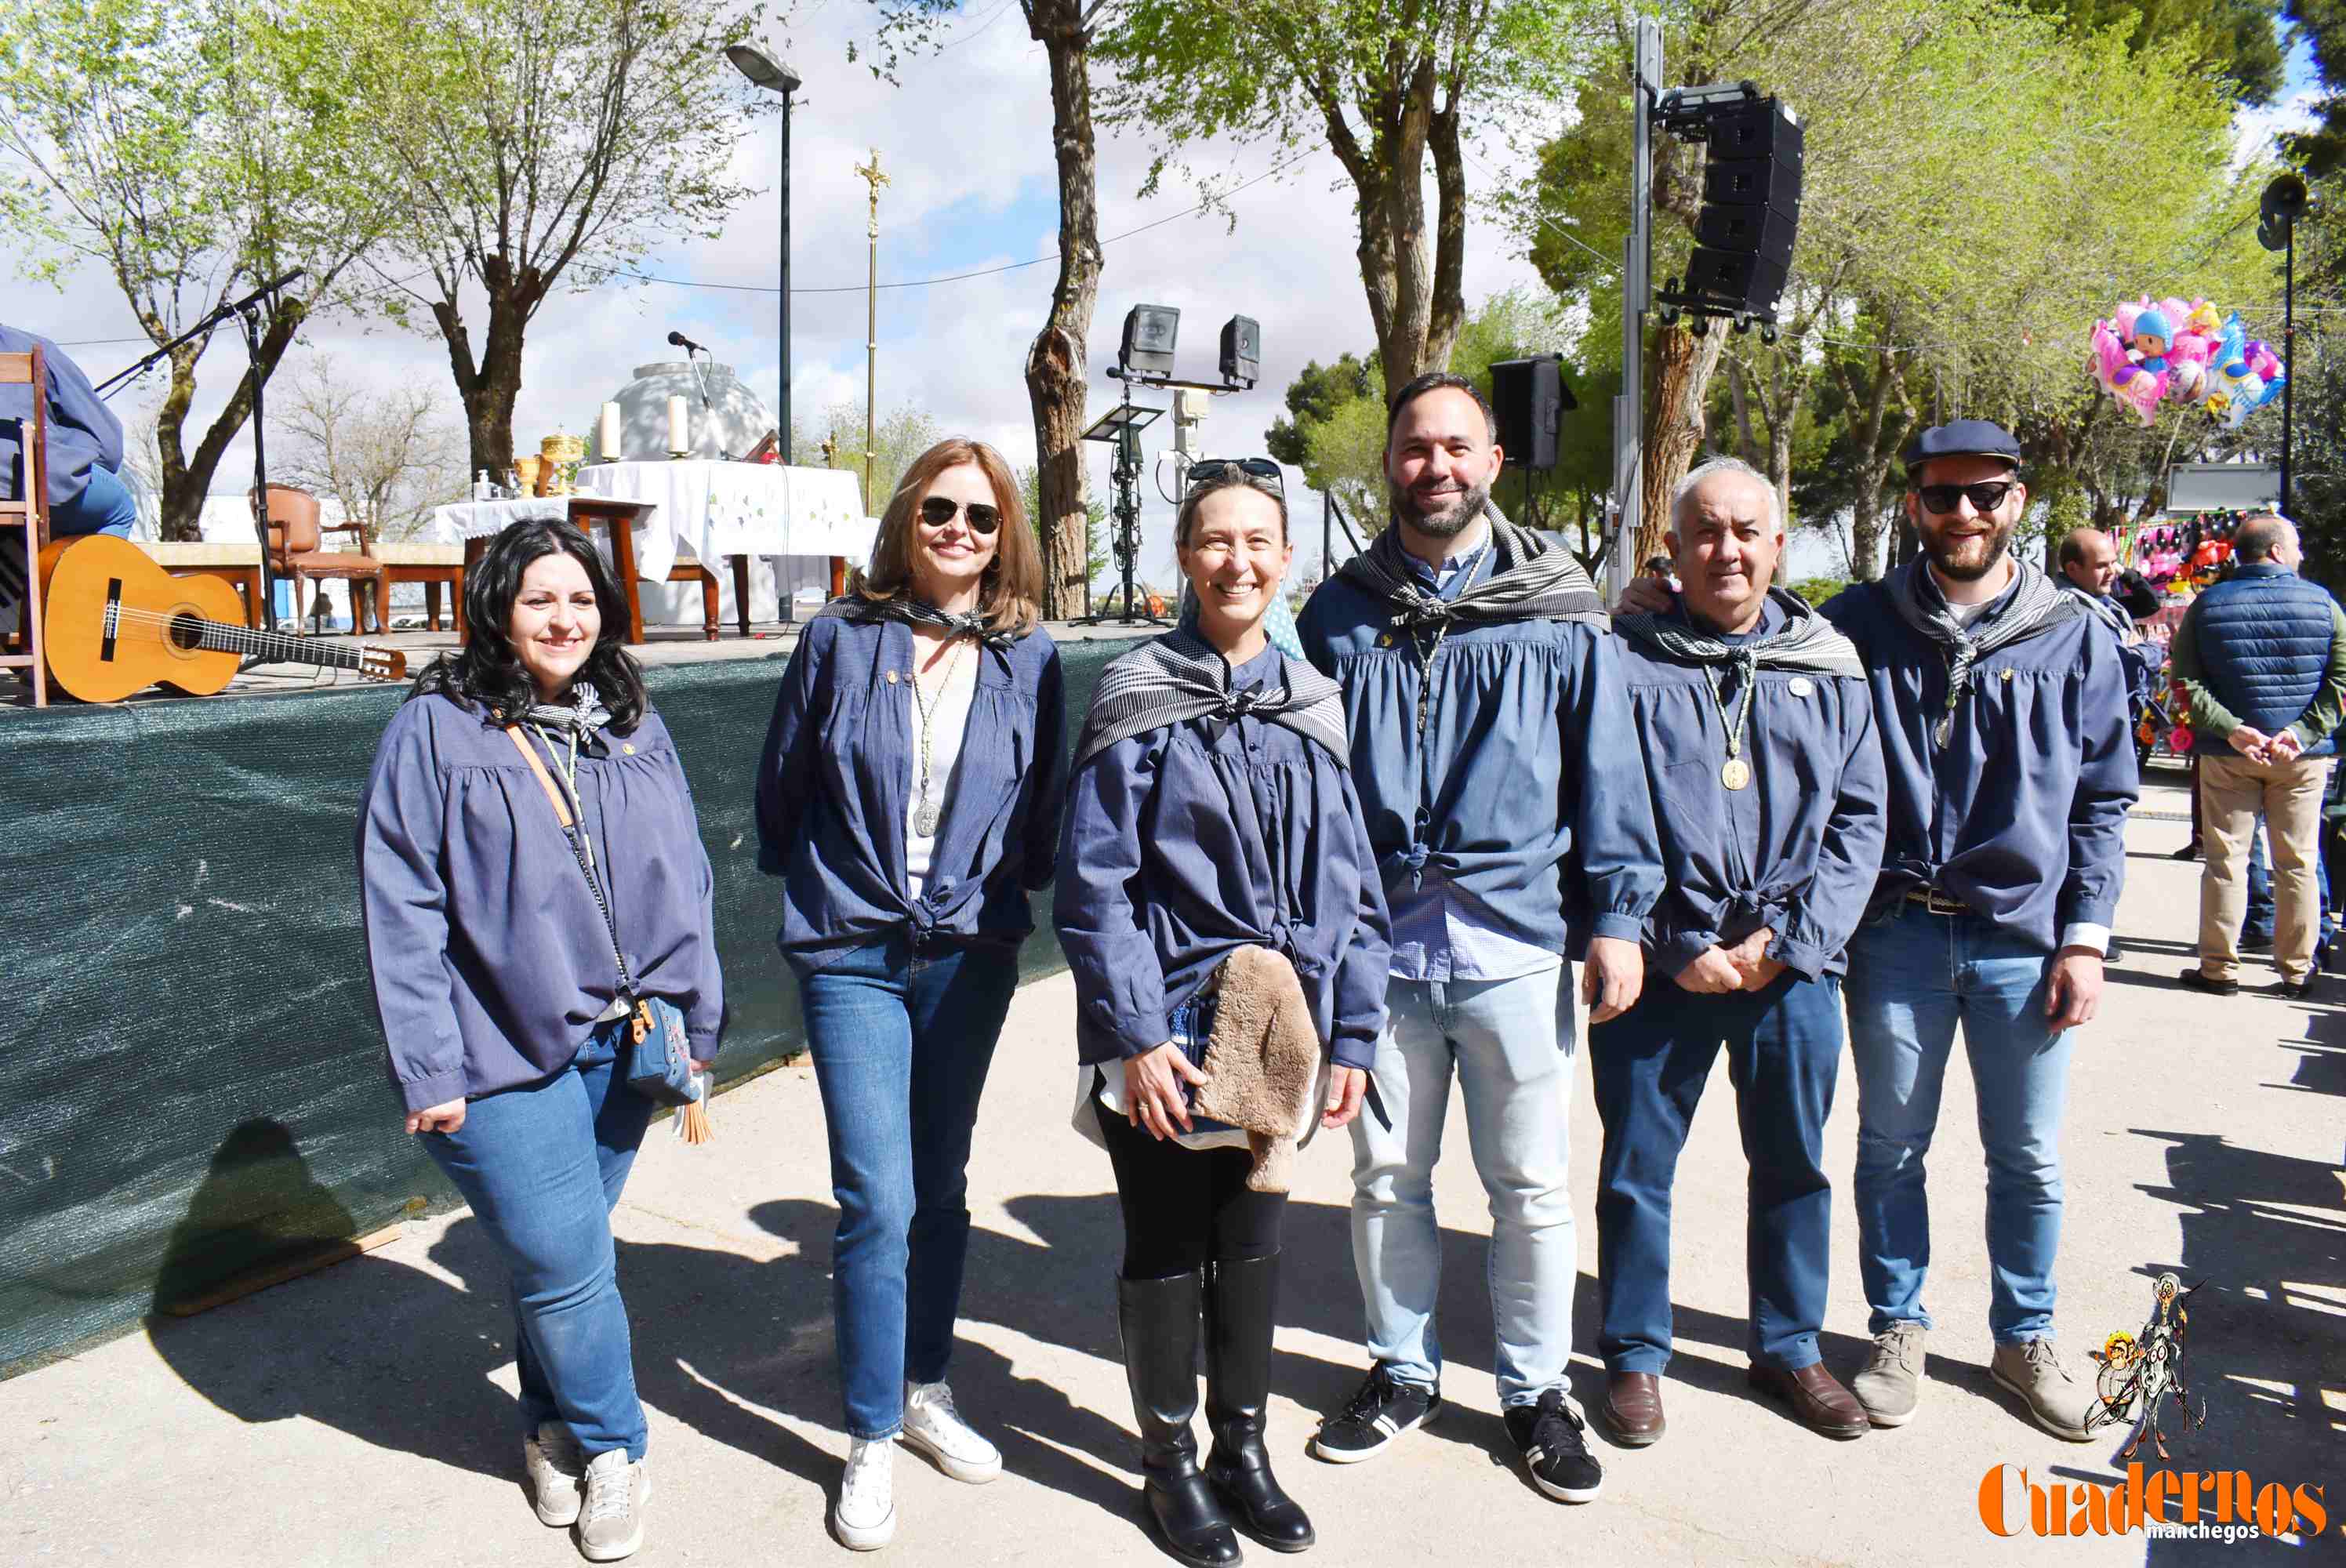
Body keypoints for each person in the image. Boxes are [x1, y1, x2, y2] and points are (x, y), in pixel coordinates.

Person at [1618, 419, 2139, 1445]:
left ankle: (2024, 1334)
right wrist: (1652, 595)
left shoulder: (2074, 632)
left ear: (2018, 504)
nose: (1964, 514)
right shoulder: (1859, 622)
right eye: (1943, 496)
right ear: (1914, 505)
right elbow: (1745, 615)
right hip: (1893, 929)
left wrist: (2089, 932)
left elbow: (2106, 799)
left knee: (2026, 1153)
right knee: (1890, 1147)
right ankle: (1896, 1325)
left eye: (1985, 495)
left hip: (2021, 935)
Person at [1296, 372, 1663, 1504]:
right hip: (1379, 950)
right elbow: (1302, 792)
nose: (1436, 467)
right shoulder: (1337, 616)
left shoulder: (1556, 607)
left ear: (1495, 462)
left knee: (1530, 1186)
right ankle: (1402, 1371)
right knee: (1387, 1181)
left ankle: (1536, 1392)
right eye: (1415, 449)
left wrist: (1619, 916)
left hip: (1512, 941)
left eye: (1458, 447)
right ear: (1390, 465)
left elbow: (1608, 771)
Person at [358, 518, 724, 1562]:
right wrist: (428, 1063)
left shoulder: (632, 721)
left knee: (549, 1258)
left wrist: (696, 1021)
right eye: (538, 600)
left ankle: (547, 1426)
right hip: (494, 1047)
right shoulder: (437, 728)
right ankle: (617, 1447)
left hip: (629, 1040)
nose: (564, 620)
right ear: (496, 611)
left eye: (581, 599)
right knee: (567, 1261)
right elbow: (402, 903)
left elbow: (686, 874)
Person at [1056, 462, 1389, 1568]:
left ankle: (1242, 1451)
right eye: (1215, 541)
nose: (1237, 560)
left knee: (1253, 1237)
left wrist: (1352, 1035)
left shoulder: (1314, 702)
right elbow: (1095, 885)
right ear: (1186, 558)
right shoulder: (1136, 693)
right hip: (1168, 1024)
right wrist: (1132, 1035)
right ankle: (1169, 1462)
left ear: (1286, 560)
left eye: (1259, 542)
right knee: (1165, 1239)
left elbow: (1354, 891)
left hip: (1279, 1026)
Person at [754, 437, 1065, 1552]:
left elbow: (1041, 817)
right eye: (939, 510)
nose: (959, 534)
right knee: (876, 1197)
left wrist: (991, 895)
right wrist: (842, 891)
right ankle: (871, 1431)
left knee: (941, 1184)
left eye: (982, 518)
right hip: (853, 951)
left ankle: (926, 1383)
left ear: (1006, 534)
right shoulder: (839, 638)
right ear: (905, 519)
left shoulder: (1029, 656)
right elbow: (782, 790)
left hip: (970, 953)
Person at [1598, 458, 1887, 1445]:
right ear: (1672, 549)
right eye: (1705, 532)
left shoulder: (1831, 662)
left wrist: (1791, 940)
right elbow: (1602, 809)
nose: (1727, 550)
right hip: (1660, 968)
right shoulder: (1623, 659)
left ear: (1777, 542)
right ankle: (1635, 1353)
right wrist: (1674, 941)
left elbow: (1861, 818)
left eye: (1746, 531)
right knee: (1637, 1167)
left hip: (1789, 971)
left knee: (1795, 1163)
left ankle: (1789, 1346)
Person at [2170, 514, 2346, 1000]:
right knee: (2298, 862)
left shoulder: (2207, 606)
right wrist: (2301, 731)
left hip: (2228, 754)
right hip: (2302, 757)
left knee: (2226, 860)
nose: (2302, 555)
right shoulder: (2324, 605)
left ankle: (2219, 967)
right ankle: (2297, 968)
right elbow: (2340, 683)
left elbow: (2186, 682)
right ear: (2274, 552)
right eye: (2297, 546)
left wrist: (2232, 730)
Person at [0, 324, 142, 634]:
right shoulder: (30, 347)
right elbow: (109, 445)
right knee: (118, 506)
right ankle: (76, 638)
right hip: (22, 487)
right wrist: (67, 456)